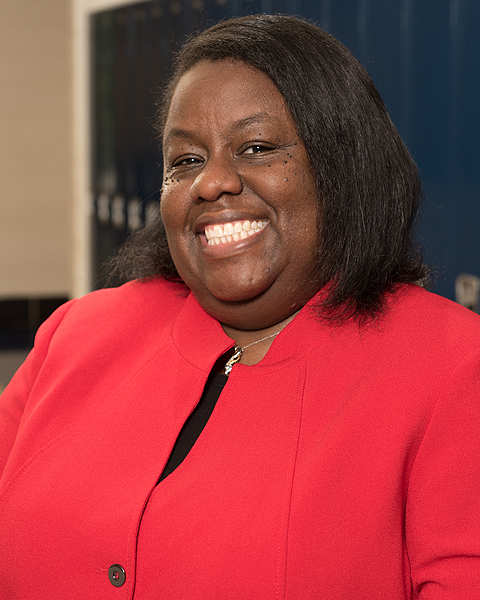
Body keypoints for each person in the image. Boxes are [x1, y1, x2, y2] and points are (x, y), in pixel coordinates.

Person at [1, 13, 480, 599]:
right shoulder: (77, 333)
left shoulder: (453, 368)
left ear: (342, 169)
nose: (211, 183)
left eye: (256, 148)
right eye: (186, 160)